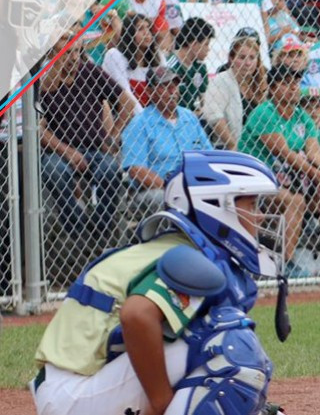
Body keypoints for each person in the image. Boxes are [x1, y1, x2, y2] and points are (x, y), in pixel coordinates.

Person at [31, 150, 285, 415]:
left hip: (79, 386)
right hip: (73, 393)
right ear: (215, 204)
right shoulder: (190, 257)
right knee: (231, 344)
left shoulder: (184, 249)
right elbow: (137, 315)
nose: (261, 217)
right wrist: (161, 403)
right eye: (252, 205)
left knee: (215, 339)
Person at [239, 65, 320, 275]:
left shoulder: (301, 116)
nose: (292, 87)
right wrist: (318, 175)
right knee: (297, 201)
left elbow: (314, 152)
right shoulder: (264, 113)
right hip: (256, 183)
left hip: (290, 180)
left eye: (294, 82)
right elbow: (285, 153)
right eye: (285, 83)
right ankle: (284, 265)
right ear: (273, 89)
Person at [39, 33, 132, 241]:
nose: (73, 58)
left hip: (95, 148)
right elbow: (39, 129)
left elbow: (127, 103)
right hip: (59, 151)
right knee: (54, 171)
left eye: (76, 52)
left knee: (110, 170)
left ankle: (100, 230)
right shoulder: (43, 81)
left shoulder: (90, 72)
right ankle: (78, 229)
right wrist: (68, 152)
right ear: (53, 53)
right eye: (66, 53)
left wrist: (112, 137)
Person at [121, 67, 215, 214]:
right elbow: (137, 170)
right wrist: (173, 190)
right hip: (157, 189)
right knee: (161, 198)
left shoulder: (189, 117)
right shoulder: (139, 124)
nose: (172, 91)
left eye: (175, 86)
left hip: (195, 185)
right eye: (164, 87)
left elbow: (209, 156)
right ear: (150, 92)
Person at [202, 36, 266, 151]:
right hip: (228, 148)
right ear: (231, 58)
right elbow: (215, 117)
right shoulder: (220, 81)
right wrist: (233, 145)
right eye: (242, 57)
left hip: (258, 149)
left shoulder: (260, 83)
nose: (247, 63)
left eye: (252, 58)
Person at [103, 13, 163, 115]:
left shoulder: (158, 56)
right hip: (123, 117)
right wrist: (145, 122)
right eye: (140, 29)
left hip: (153, 118)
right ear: (129, 33)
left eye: (148, 28)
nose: (147, 33)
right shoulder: (115, 56)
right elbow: (126, 95)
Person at [164, 17, 215, 116]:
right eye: (206, 44)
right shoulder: (169, 66)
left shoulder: (200, 68)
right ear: (194, 43)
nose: (208, 49)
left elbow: (205, 101)